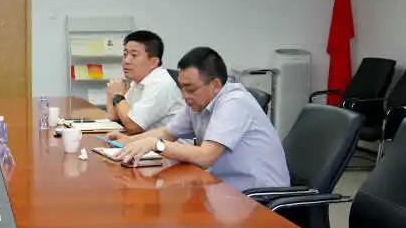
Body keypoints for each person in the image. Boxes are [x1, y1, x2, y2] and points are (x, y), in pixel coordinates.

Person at [111, 47, 289, 191]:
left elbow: (206, 156)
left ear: (215, 85)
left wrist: (156, 144)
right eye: (182, 88)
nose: (185, 96)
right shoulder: (199, 102)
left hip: (259, 197)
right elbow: (168, 132)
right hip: (223, 190)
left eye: (190, 89)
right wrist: (129, 141)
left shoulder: (235, 102)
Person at [104, 30, 184, 134]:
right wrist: (111, 93)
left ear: (153, 62)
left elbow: (133, 126)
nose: (126, 61)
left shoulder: (160, 83)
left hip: (168, 144)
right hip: (146, 141)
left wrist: (118, 95)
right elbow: (116, 117)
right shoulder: (137, 82)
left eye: (134, 55)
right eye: (125, 54)